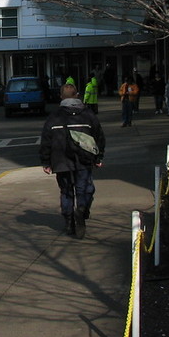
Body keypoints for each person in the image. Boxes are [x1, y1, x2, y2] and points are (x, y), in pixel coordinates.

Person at [40, 83, 105, 239]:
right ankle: (81, 210)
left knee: (66, 192)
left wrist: (46, 162)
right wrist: (98, 157)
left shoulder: (54, 117)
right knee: (86, 189)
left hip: (61, 161)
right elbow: (99, 137)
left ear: (61, 97)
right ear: (77, 95)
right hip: (83, 159)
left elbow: (46, 141)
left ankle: (69, 222)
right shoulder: (88, 115)